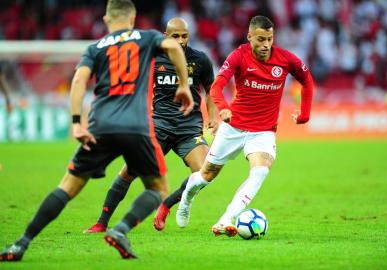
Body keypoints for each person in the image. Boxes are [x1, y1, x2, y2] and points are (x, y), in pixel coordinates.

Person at [0, 0, 193, 262]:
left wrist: (77, 122)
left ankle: (21, 244)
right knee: (158, 189)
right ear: (133, 18)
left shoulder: (95, 47)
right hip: (136, 127)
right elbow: (172, 46)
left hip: (100, 127)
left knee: (67, 187)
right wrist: (183, 84)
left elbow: (79, 80)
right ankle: (121, 229)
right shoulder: (147, 37)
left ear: (106, 19)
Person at [176, 15, 314, 237]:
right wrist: (223, 108)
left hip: (264, 131)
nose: (265, 44)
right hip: (234, 127)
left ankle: (226, 219)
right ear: (250, 36)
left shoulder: (285, 59)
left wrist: (305, 114)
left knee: (260, 171)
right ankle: (186, 198)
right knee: (206, 175)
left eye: (269, 39)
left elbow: (307, 79)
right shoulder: (239, 56)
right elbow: (216, 86)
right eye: (260, 39)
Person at [84, 17, 218, 234]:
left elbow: (211, 88)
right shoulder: (153, 59)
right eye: (176, 36)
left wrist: (212, 114)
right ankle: (101, 222)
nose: (181, 40)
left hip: (189, 127)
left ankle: (167, 205)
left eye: (184, 36)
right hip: (159, 125)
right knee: (129, 170)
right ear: (167, 36)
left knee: (205, 172)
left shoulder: (200, 59)